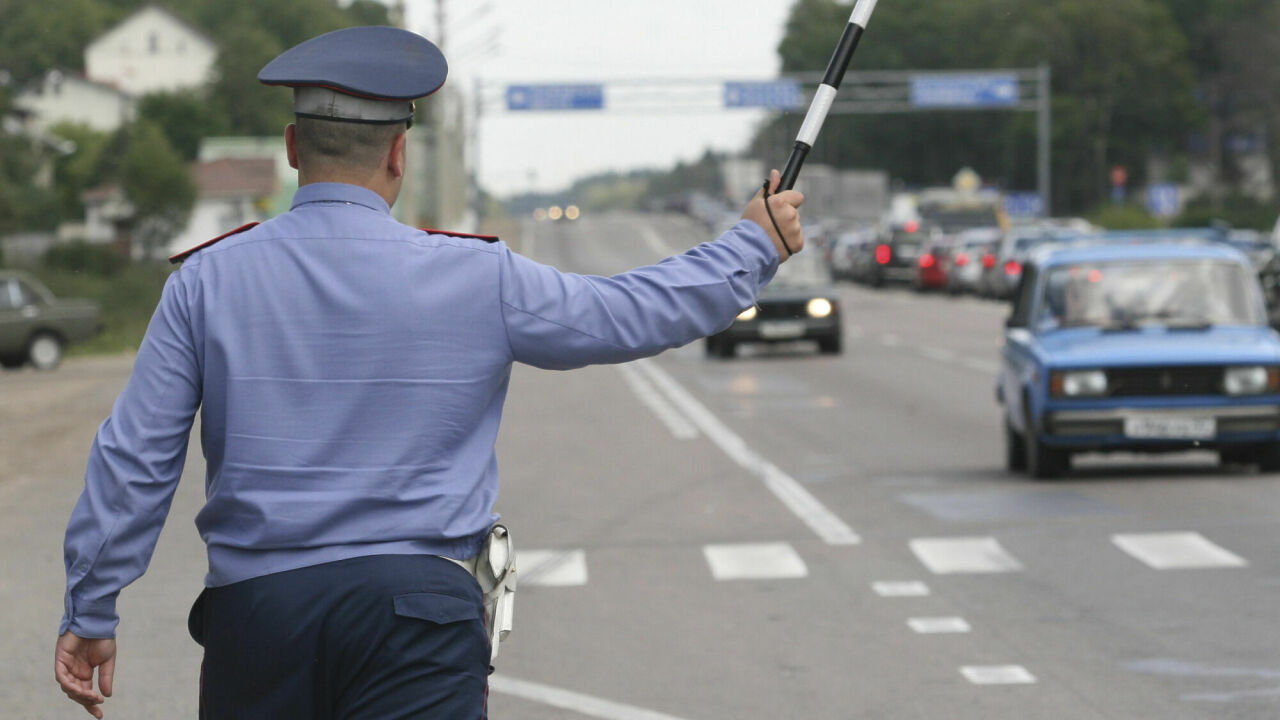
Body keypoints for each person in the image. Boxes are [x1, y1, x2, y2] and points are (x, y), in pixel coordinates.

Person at [54, 25, 805, 720]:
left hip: (259, 619)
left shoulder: (205, 282)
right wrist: (751, 243)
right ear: (398, 154)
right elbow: (626, 314)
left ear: (292, 146)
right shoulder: (477, 275)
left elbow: (136, 455)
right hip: (420, 617)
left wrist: (93, 607)